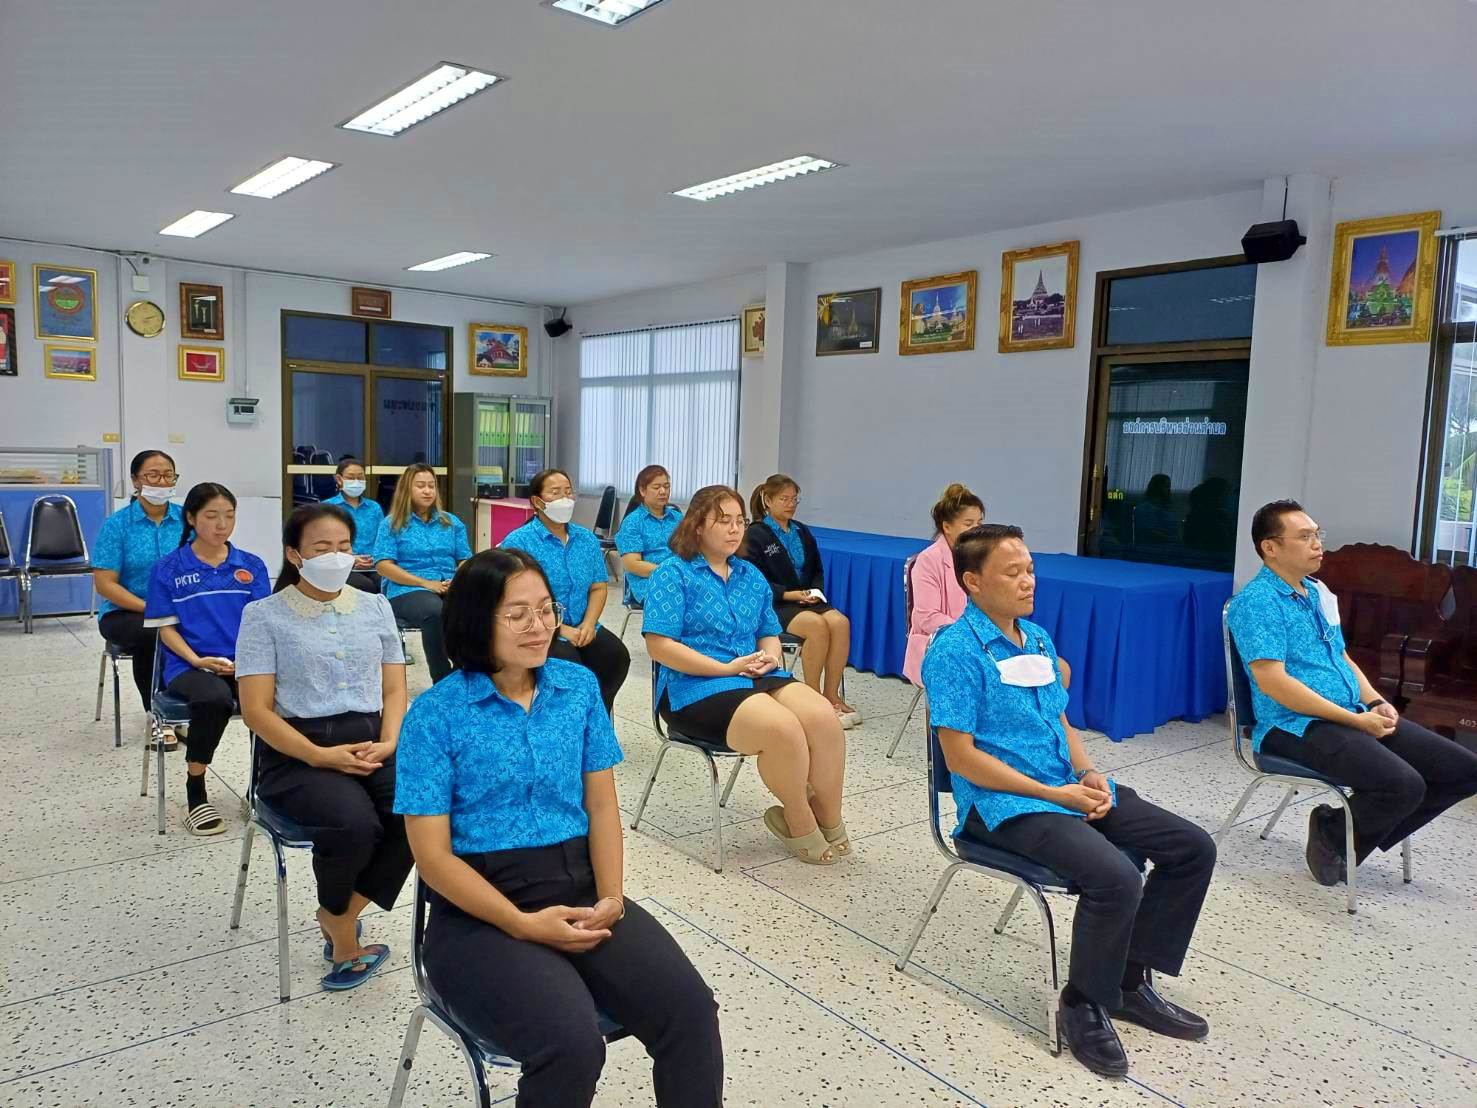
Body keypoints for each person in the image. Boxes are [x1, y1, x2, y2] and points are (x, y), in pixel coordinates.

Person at [395, 549, 723, 1107]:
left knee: (690, 1012)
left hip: (580, 887)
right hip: (480, 911)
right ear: (476, 619)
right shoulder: (435, 715)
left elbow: (601, 806)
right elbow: (433, 859)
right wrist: (522, 925)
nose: (540, 626)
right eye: (517, 613)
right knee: (570, 1044)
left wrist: (613, 896)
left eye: (546, 609)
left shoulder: (576, 688)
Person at [922, 523, 1215, 1078]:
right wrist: (1052, 792)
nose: (1028, 580)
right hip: (1004, 807)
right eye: (1012, 572)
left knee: (1192, 847)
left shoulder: (1035, 639)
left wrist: (1087, 772)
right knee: (1117, 877)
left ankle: (1129, 981)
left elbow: (1059, 718)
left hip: (1065, 786)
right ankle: (1083, 1002)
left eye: (1029, 569)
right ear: (972, 582)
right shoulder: (955, 651)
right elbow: (960, 758)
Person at [1226, 500, 1477, 887]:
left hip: (1353, 712)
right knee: (1403, 785)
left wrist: (1375, 701)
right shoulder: (1257, 603)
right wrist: (1356, 720)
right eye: (1304, 537)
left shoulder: (1317, 592)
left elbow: (1340, 657)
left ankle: (1340, 830)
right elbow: (1273, 683)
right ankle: (1338, 836)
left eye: (1317, 534)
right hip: (1293, 726)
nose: (1317, 544)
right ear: (1270, 547)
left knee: (1463, 771)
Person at [236, 503, 412, 991]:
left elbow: (395, 690)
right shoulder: (263, 615)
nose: (335, 557)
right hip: (297, 752)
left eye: (344, 547)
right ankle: (344, 939)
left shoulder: (376, 605)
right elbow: (256, 710)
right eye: (321, 548)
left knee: (421, 811)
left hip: (374, 739)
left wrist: (390, 740)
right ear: (294, 554)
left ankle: (337, 916)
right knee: (354, 823)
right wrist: (318, 756)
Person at [645, 485, 851, 865]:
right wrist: (724, 668)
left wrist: (771, 657)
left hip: (754, 674)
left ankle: (830, 817)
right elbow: (660, 646)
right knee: (783, 728)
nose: (735, 529)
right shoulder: (672, 574)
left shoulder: (749, 574)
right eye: (723, 521)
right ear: (696, 526)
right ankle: (798, 818)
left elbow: (767, 632)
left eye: (739, 521)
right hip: (696, 686)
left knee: (823, 718)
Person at [143, 482, 271, 836]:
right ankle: (196, 792)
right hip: (188, 665)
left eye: (229, 516)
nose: (222, 525)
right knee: (214, 699)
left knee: (270, 699)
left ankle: (260, 786)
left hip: (245, 661)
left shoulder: (250, 565)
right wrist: (197, 660)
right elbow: (166, 630)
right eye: (212, 516)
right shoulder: (168, 569)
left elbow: (263, 622)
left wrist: (251, 662)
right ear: (191, 518)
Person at [503, 468, 630, 715]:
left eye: (568, 492)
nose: (565, 498)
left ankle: (595, 720)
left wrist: (589, 625)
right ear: (537, 502)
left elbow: (598, 586)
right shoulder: (519, 543)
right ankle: (565, 726)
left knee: (616, 657)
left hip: (583, 625)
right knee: (569, 665)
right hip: (539, 629)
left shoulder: (585, 539)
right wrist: (562, 630)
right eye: (555, 492)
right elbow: (513, 601)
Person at [742, 474, 861, 729]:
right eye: (784, 499)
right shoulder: (756, 534)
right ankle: (813, 697)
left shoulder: (801, 531)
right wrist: (788, 594)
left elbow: (817, 568)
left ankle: (831, 694)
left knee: (840, 623)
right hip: (778, 603)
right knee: (816, 627)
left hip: (806, 599)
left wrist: (815, 592)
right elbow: (754, 579)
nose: (790, 504)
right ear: (768, 500)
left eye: (794, 499)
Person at [92, 449, 185, 747]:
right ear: (135, 480)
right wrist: (151, 608)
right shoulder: (117, 525)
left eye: (168, 475)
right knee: (154, 632)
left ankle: (187, 710)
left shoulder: (187, 520)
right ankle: (157, 716)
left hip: (178, 607)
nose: (162, 481)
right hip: (125, 612)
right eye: (153, 475)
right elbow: (105, 584)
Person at [372, 463, 470, 684]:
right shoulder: (392, 524)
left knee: (476, 607)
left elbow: (464, 559)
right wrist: (427, 583)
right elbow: (383, 565)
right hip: (406, 589)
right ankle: (442, 679)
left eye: (431, 486)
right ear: (408, 489)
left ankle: (465, 671)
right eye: (420, 486)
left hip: (448, 584)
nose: (427, 491)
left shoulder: (451, 523)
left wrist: (458, 580)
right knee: (435, 610)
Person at [902, 482, 984, 686]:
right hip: (941, 645)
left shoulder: (981, 557)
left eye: (979, 523)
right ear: (947, 527)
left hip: (979, 641)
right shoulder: (928, 560)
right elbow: (927, 617)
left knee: (1057, 668)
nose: (976, 530)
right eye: (968, 524)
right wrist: (970, 632)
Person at [615, 464, 682, 606]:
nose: (663, 491)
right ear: (642, 490)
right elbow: (632, 564)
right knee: (679, 600)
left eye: (666, 486)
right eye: (657, 487)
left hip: (680, 578)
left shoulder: (678, 519)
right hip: (647, 582)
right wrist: (669, 573)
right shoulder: (632, 522)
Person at [321, 457, 384, 594]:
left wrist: (377, 558)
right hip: (340, 565)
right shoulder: (327, 508)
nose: (356, 482)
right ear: (339, 479)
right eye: (351, 477)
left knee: (386, 582)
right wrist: (351, 559)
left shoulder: (374, 508)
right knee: (365, 586)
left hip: (372, 565)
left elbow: (383, 539)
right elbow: (322, 544)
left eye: (360, 478)